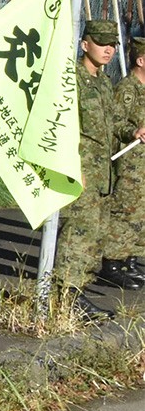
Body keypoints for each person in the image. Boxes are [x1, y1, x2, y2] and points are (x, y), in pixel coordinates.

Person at [51, 19, 136, 300]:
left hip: (103, 173)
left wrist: (133, 131)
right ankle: (65, 295)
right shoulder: (71, 78)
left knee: (96, 234)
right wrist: (72, 166)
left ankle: (78, 292)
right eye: (102, 43)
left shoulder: (103, 82)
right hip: (81, 169)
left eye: (112, 44)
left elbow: (111, 123)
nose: (108, 49)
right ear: (84, 44)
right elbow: (61, 125)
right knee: (78, 233)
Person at [106, 33, 145, 288]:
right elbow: (116, 122)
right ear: (141, 61)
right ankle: (111, 263)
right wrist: (134, 131)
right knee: (124, 212)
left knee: (139, 213)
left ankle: (129, 261)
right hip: (130, 162)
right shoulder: (127, 89)